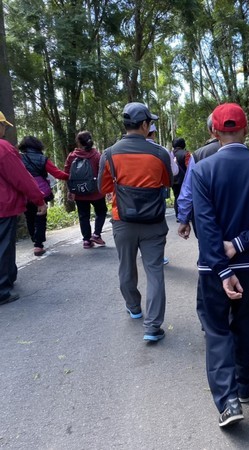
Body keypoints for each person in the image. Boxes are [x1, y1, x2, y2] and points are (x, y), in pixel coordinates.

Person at [189, 103, 249, 427]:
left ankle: (228, 402)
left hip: (213, 270)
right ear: (246, 130)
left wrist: (223, 269)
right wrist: (241, 245)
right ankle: (244, 383)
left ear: (214, 132)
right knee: (247, 324)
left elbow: (206, 225)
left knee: (216, 331)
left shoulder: (202, 170)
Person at [98, 102, 173, 342]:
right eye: (150, 122)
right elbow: (167, 183)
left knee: (126, 266)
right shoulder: (159, 153)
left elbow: (104, 187)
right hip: (153, 222)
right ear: (143, 125)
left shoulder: (109, 154)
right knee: (154, 272)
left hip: (123, 221)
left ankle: (134, 307)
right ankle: (152, 327)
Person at [0, 111, 47, 305]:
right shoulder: (3, 148)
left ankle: (9, 277)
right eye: (3, 125)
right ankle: (2, 289)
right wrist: (39, 200)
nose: (4, 129)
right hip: (3, 206)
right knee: (4, 246)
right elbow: (21, 178)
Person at [18, 136, 69, 256]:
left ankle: (34, 240)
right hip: (41, 192)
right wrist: (70, 176)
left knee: (29, 216)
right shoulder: (42, 159)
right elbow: (57, 173)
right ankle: (38, 245)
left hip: (25, 192)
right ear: (37, 145)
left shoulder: (19, 158)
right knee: (41, 217)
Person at [176, 114, 220, 233]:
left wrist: (184, 219)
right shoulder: (243, 151)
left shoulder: (198, 155)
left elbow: (188, 190)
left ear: (210, 129)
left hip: (207, 222)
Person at [64, 131, 108, 249]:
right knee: (101, 211)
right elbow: (102, 172)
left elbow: (67, 174)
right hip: (96, 192)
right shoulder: (96, 155)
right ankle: (97, 234)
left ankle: (87, 240)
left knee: (83, 215)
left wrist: (70, 190)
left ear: (78, 142)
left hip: (79, 192)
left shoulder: (72, 156)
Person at [147, 123, 177, 265]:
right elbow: (174, 171)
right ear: (153, 133)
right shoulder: (161, 150)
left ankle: (144, 252)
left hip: (130, 196)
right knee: (157, 226)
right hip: (156, 193)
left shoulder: (124, 149)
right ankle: (158, 256)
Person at [171, 137, 189, 220]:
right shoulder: (186, 154)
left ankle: (178, 215)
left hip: (173, 180)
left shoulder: (170, 154)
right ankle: (185, 215)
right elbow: (189, 167)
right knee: (186, 197)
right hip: (184, 180)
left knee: (176, 196)